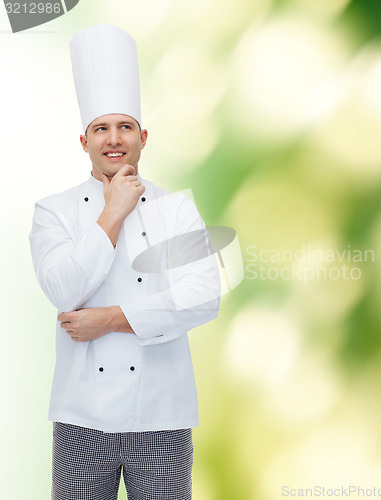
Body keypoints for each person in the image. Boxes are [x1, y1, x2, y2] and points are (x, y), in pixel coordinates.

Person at [29, 24, 220, 500]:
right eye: (101, 129)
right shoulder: (54, 211)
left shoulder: (177, 208)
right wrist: (113, 212)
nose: (113, 139)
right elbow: (63, 289)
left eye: (124, 127)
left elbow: (204, 295)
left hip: (162, 417)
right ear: (84, 140)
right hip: (80, 418)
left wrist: (111, 320)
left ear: (143, 136)